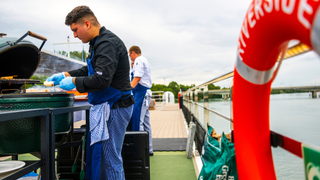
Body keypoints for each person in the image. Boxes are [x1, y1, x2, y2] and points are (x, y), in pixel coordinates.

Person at [46, 6, 134, 180]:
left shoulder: (107, 43)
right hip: (108, 105)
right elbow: (91, 69)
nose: (75, 35)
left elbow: (101, 80)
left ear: (86, 24)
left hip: (115, 107)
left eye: (75, 30)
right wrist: (67, 74)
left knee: (110, 159)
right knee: (103, 158)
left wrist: (73, 83)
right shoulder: (97, 42)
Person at [130, 56, 153, 155]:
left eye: (130, 55)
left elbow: (137, 77)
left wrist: (127, 90)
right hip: (146, 94)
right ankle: (149, 149)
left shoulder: (139, 60)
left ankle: (140, 150)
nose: (131, 59)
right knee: (147, 124)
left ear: (133, 53)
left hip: (142, 94)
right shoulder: (145, 60)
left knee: (139, 121)